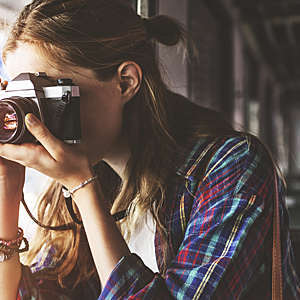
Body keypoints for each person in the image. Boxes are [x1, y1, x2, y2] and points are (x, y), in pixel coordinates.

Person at [0, 0, 299, 299]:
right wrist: (7, 191)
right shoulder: (85, 178)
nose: (33, 116)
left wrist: (82, 186)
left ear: (126, 82)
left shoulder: (232, 165)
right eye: (22, 96)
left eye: (47, 92)